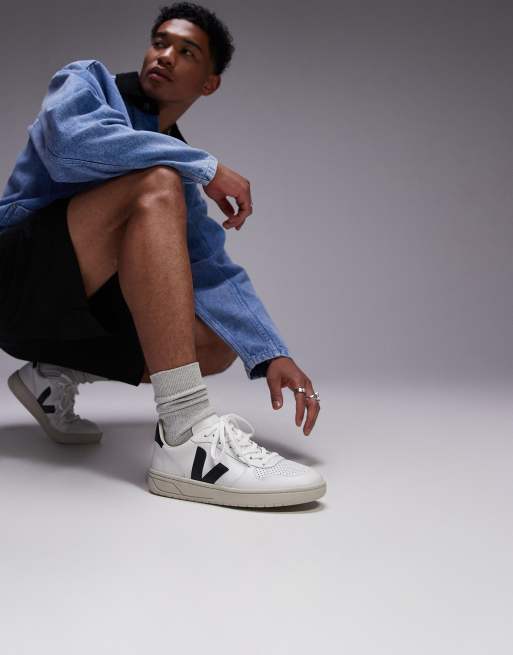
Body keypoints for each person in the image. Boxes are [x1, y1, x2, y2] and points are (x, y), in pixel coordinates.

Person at [0, 2, 325, 507]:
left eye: (187, 51)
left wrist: (271, 352)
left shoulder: (178, 173)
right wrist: (206, 166)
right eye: (160, 42)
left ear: (209, 83)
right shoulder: (87, 83)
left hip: (59, 318)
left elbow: (212, 269)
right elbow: (69, 148)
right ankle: (185, 433)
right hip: (12, 282)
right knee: (157, 181)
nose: (166, 56)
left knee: (220, 340)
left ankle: (50, 375)